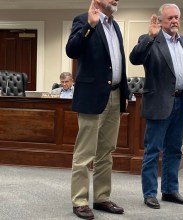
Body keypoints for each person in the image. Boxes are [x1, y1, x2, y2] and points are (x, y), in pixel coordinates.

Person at [129, 3, 183, 209]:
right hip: (159, 103)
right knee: (153, 150)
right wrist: (150, 37)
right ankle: (150, 193)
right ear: (160, 21)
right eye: (170, 18)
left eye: (177, 17)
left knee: (174, 149)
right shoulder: (150, 40)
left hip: (181, 101)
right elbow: (135, 58)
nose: (174, 21)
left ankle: (169, 190)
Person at [66, 0, 129, 219]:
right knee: (85, 153)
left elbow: (118, 61)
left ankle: (102, 197)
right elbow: (72, 50)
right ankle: (80, 201)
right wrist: (90, 27)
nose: (115, 0)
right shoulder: (83, 20)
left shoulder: (115, 25)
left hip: (115, 95)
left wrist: (125, 92)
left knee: (106, 151)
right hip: (92, 96)